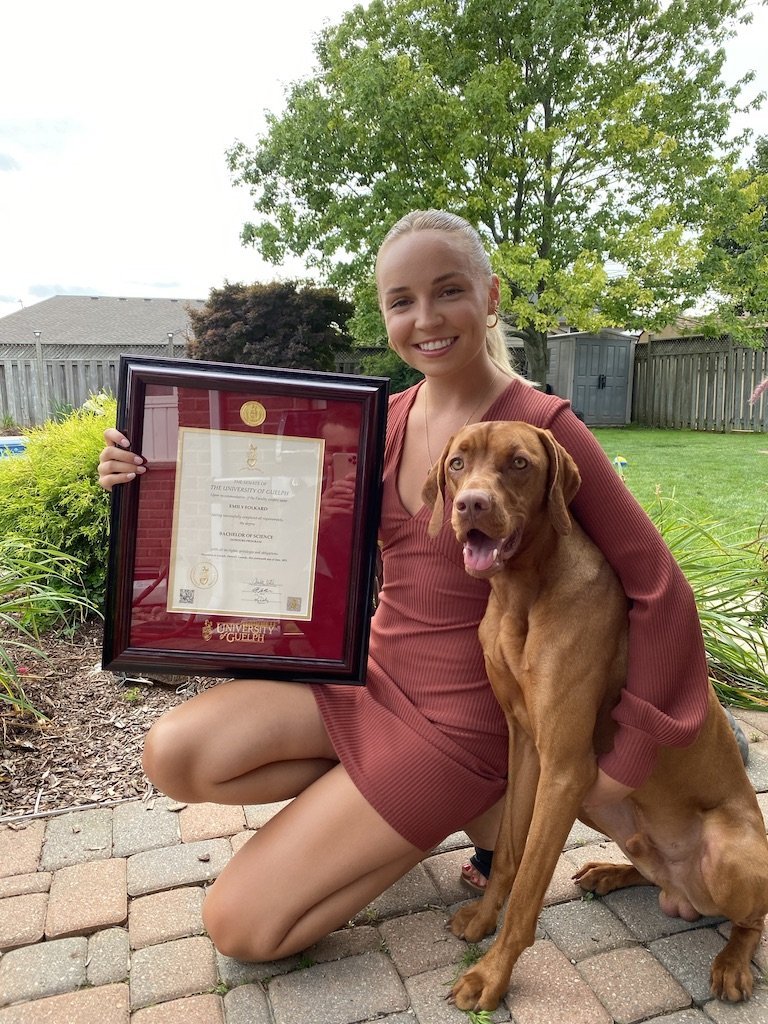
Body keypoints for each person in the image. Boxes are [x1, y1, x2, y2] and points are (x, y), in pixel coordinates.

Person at [98, 209, 710, 956]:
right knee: (173, 752)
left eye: (448, 291)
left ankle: (437, 808)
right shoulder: (380, 419)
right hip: (370, 677)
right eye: (401, 301)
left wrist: (630, 759)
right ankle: (430, 815)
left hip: (460, 726)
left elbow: (660, 589)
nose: (426, 318)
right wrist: (154, 475)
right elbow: (276, 520)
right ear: (384, 315)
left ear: (489, 297)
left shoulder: (540, 426)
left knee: (242, 929)